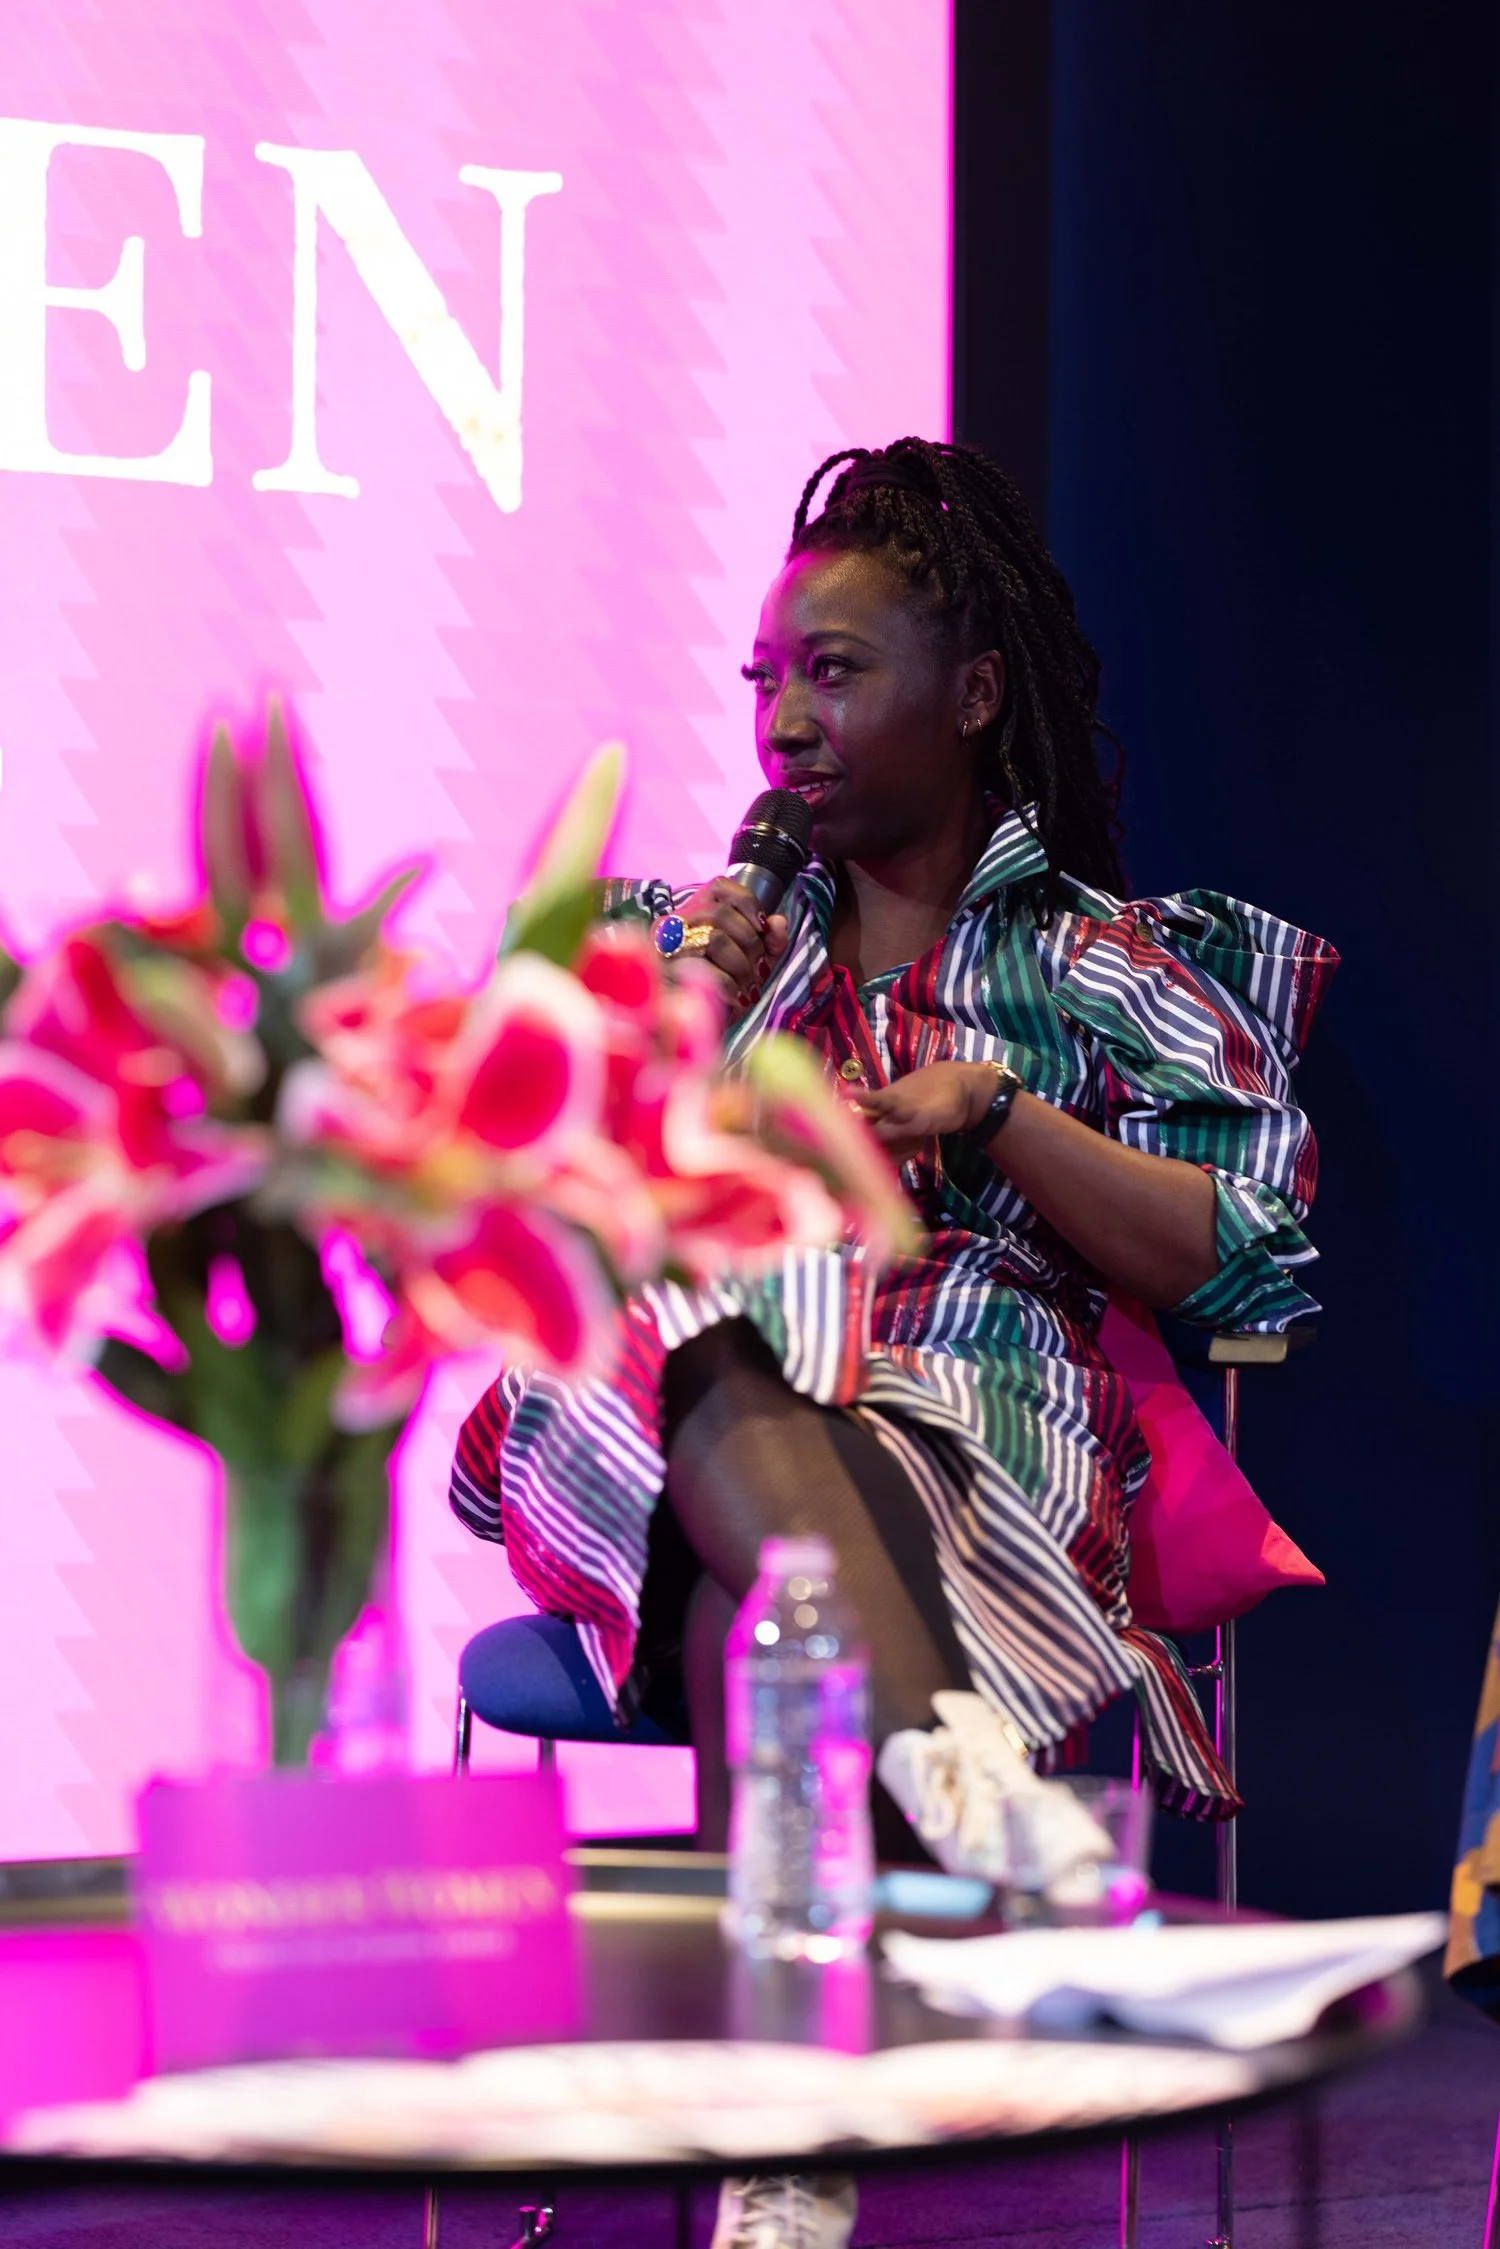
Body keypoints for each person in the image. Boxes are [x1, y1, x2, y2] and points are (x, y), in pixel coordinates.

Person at [451, 438, 1336, 2249]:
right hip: (653, 1411)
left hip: (970, 1433)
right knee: (698, 1315)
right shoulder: (670, 944)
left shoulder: (1109, 965)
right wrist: (667, 1033)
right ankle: (967, 1786)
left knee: (763, 1606)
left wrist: (1002, 1117)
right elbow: (502, 1214)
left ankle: (786, 2145)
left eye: (835, 674)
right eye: (765, 681)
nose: (785, 723)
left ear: (976, 695)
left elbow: (1242, 1254)